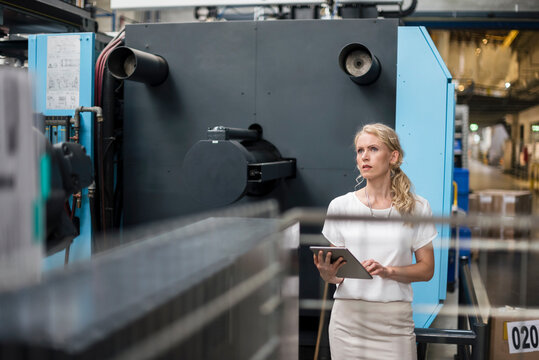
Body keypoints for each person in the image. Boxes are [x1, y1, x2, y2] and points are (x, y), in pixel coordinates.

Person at [313, 123, 437, 360]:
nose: (365, 157)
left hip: (393, 323)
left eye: (373, 149)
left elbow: (427, 269)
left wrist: (387, 271)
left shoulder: (417, 207)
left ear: (393, 156)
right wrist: (328, 274)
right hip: (347, 321)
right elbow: (335, 275)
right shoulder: (340, 206)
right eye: (360, 151)